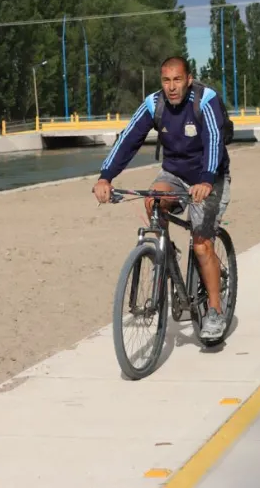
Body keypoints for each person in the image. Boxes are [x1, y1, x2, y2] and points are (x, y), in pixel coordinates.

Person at [92, 56, 232, 340]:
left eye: (177, 79)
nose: (171, 87)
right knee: (153, 200)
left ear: (188, 79)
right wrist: (106, 176)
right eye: (166, 80)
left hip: (210, 176)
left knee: (202, 245)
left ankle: (215, 311)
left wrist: (206, 180)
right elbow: (129, 139)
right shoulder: (154, 104)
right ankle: (165, 250)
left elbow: (215, 141)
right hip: (174, 174)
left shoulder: (206, 100)